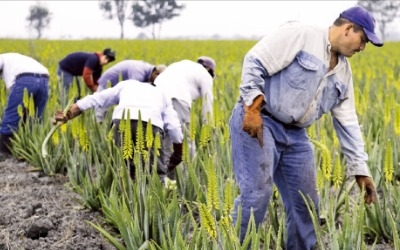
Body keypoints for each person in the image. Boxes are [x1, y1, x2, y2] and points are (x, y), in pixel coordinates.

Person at [229, 6, 382, 249]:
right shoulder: (301, 35)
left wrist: (361, 172)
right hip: (260, 121)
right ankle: (234, 246)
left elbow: (348, 123)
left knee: (306, 203)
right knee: (256, 195)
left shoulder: (343, 72)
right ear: (348, 29)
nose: (362, 48)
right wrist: (252, 109)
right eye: (362, 40)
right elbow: (255, 61)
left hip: (296, 134)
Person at [54, 79, 183, 180]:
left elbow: (98, 98)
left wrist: (69, 113)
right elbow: (174, 126)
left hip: (120, 122)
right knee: (153, 169)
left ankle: (122, 199)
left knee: (121, 166)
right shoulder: (162, 93)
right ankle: (153, 203)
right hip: (149, 124)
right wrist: (178, 151)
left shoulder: (127, 85)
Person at [154, 56, 215, 161]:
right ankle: (185, 174)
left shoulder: (181, 66)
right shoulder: (205, 74)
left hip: (156, 96)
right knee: (185, 141)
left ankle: (165, 174)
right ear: (209, 69)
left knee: (164, 140)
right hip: (176, 98)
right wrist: (208, 129)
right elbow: (207, 101)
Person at [0, 52, 50, 156]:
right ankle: (31, 149)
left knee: (11, 116)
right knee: (35, 118)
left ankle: (4, 152)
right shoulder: (16, 58)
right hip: (45, 79)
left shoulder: (2, 59)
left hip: (25, 79)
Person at [95, 60, 167, 123]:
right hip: (107, 84)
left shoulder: (147, 72)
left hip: (117, 87)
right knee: (101, 113)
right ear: (156, 73)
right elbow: (133, 91)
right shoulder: (139, 71)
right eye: (160, 79)